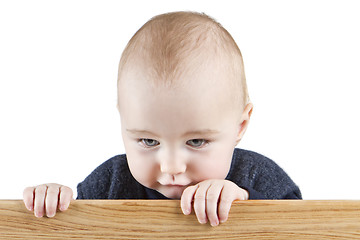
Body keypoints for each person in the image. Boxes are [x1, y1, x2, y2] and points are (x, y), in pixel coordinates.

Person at [23, 11, 301, 227]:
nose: (171, 167)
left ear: (239, 126)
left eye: (196, 141)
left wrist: (247, 204)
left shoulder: (259, 177)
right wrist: (54, 206)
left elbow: (303, 226)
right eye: (148, 140)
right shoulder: (109, 185)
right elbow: (77, 231)